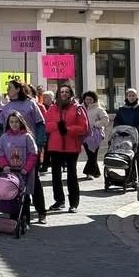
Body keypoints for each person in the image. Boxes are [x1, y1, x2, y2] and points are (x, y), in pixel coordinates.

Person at [0, 80, 48, 224]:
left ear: (18, 89)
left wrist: (40, 143)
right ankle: (16, 213)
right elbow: (0, 127)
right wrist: (0, 144)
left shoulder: (31, 104)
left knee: (34, 181)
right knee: (13, 182)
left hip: (29, 149)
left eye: (10, 87)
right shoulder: (6, 107)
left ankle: (41, 212)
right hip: (10, 151)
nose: (7, 89)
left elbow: (40, 124)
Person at [44, 84, 89, 214]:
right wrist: (57, 125)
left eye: (66, 92)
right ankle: (59, 200)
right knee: (56, 175)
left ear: (71, 94)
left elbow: (84, 128)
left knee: (72, 175)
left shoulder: (78, 108)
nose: (64, 94)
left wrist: (68, 129)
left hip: (71, 147)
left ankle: (73, 203)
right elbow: (46, 126)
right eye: (62, 92)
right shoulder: (52, 108)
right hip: (55, 146)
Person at [0, 110, 38, 225]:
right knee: (11, 195)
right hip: (10, 172)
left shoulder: (27, 137)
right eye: (12, 122)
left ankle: (25, 220)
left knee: (24, 196)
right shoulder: (4, 137)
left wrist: (26, 168)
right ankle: (13, 220)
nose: (14, 124)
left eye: (16, 122)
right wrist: (4, 165)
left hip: (23, 172)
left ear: (21, 123)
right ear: (8, 123)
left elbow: (33, 154)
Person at [81, 91, 109, 179]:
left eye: (90, 99)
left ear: (94, 100)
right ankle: (96, 172)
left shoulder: (99, 109)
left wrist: (95, 124)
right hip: (84, 135)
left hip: (95, 135)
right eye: (87, 99)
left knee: (93, 154)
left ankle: (88, 172)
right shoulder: (81, 108)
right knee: (91, 155)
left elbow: (105, 120)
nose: (88, 101)